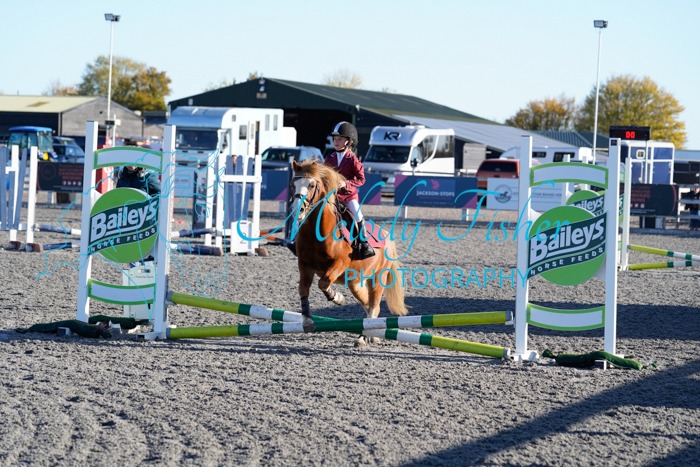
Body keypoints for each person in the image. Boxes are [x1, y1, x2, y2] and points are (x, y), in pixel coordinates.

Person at [287, 121, 375, 259]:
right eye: (334, 139)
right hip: (331, 196)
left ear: (349, 142)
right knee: (309, 210)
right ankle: (297, 240)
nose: (336, 141)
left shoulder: (353, 160)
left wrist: (346, 184)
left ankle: (364, 244)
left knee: (358, 215)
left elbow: (361, 179)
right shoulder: (330, 158)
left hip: (348, 197)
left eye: (339, 139)